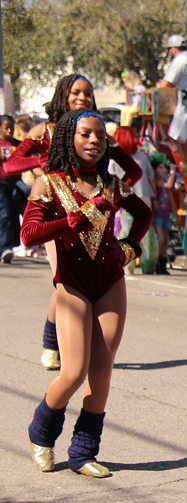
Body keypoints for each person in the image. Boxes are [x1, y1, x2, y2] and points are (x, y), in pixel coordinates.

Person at [21, 108, 152, 478]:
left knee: (102, 372)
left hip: (110, 281)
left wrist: (128, 248)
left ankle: (83, 452)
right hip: (72, 283)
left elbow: (143, 215)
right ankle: (41, 434)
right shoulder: (49, 183)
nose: (94, 141)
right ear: (68, 138)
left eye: (100, 135)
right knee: (74, 371)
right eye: (85, 134)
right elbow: (29, 234)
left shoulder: (111, 185)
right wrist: (74, 219)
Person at [5, 74, 143, 371]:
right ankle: (52, 342)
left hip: (97, 217)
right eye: (76, 92)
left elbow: (133, 171)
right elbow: (9, 166)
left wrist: (114, 192)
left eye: (88, 93)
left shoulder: (97, 131)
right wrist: (41, 164)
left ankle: (81, 345)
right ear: (63, 95)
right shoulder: (45, 130)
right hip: (58, 214)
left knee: (94, 280)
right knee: (64, 281)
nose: (83, 97)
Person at [108, 126, 154, 276]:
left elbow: (109, 178)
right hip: (144, 196)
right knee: (146, 233)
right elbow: (150, 178)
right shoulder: (142, 157)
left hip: (122, 198)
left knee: (125, 230)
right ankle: (148, 264)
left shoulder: (115, 159)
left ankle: (127, 264)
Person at [158, 34, 187, 169]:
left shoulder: (180, 62)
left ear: (173, 49)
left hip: (183, 109)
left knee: (183, 141)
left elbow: (165, 85)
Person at [0, 115, 25, 264]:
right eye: (6, 128)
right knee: (4, 215)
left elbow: (31, 160)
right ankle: (4, 249)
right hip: (1, 183)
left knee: (18, 214)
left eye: (11, 128)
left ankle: (11, 245)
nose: (9, 131)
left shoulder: (18, 145)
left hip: (16, 183)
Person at [149, 153, 175, 274]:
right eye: (161, 167)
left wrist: (175, 214)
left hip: (166, 215)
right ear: (154, 169)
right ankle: (157, 261)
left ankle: (162, 263)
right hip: (158, 214)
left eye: (165, 168)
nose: (164, 170)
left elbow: (171, 200)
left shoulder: (165, 182)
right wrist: (173, 173)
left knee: (165, 240)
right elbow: (168, 185)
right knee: (161, 238)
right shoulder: (156, 182)